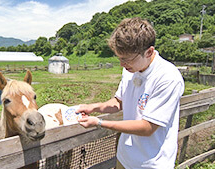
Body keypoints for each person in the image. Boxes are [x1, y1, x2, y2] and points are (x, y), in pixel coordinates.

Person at [76, 17, 184, 169]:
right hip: (124, 158)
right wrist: (93, 107)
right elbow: (119, 102)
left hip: (150, 163)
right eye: (119, 58)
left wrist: (100, 123)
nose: (122, 64)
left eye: (126, 59)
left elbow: (148, 128)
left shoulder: (168, 78)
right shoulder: (130, 69)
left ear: (149, 52)